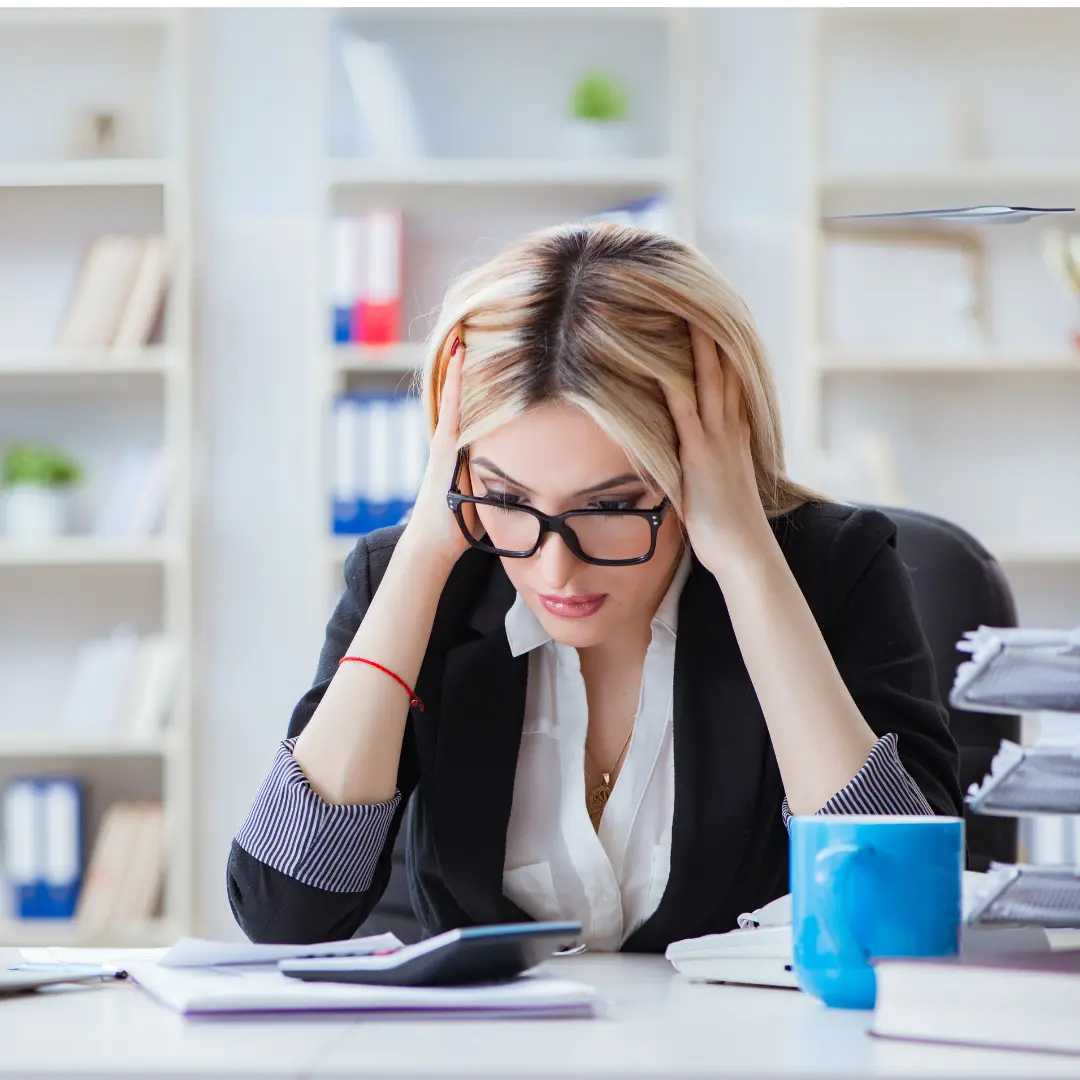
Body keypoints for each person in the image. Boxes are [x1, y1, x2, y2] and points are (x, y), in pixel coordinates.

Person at [227, 221, 962, 952]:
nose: (555, 569)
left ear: (702, 463)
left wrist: (746, 563)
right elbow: (285, 914)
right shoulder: (423, 579)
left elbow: (900, 922)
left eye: (611, 506)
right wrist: (422, 553)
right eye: (509, 498)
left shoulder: (833, 573)